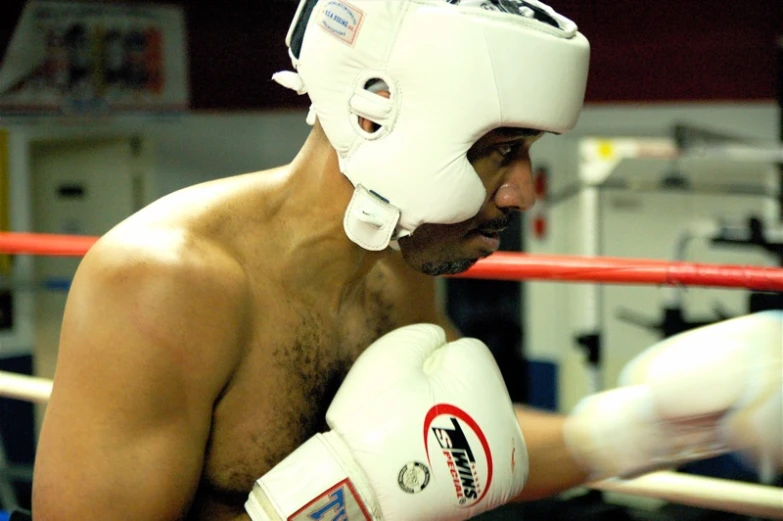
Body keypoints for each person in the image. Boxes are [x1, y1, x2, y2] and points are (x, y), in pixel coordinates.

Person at [29, 1, 782, 520]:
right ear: (375, 119)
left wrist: (655, 422)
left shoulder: (393, 266)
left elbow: (459, 443)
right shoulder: (165, 284)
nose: (522, 189)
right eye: (501, 151)